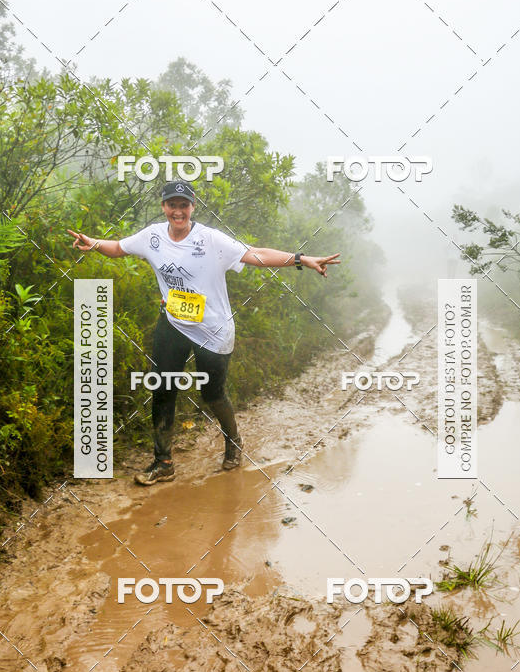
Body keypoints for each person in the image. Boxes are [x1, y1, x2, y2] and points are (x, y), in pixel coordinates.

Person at [68, 180, 340, 484]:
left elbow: (256, 254)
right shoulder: (152, 237)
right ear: (164, 207)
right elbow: (118, 248)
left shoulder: (211, 240)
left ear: (192, 207)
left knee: (212, 394)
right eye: (172, 205)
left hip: (213, 329)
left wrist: (301, 260)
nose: (178, 211)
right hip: (173, 323)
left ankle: (233, 442)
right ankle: (163, 462)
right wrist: (92, 243)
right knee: (162, 388)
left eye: (183, 206)